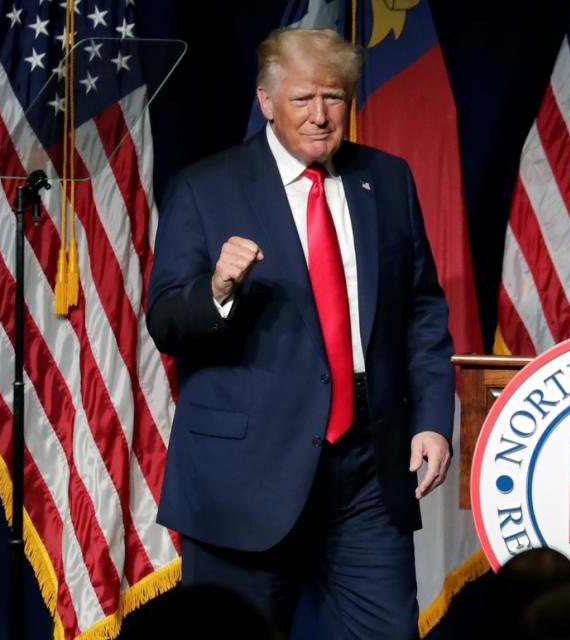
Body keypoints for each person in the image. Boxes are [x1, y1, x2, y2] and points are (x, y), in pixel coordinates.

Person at [146, 27, 455, 639]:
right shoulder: (206, 187)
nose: (320, 116)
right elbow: (165, 320)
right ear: (265, 101)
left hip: (369, 463)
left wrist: (429, 420)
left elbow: (421, 309)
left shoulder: (387, 180)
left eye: (334, 98)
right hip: (246, 470)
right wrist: (217, 291)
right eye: (302, 99)